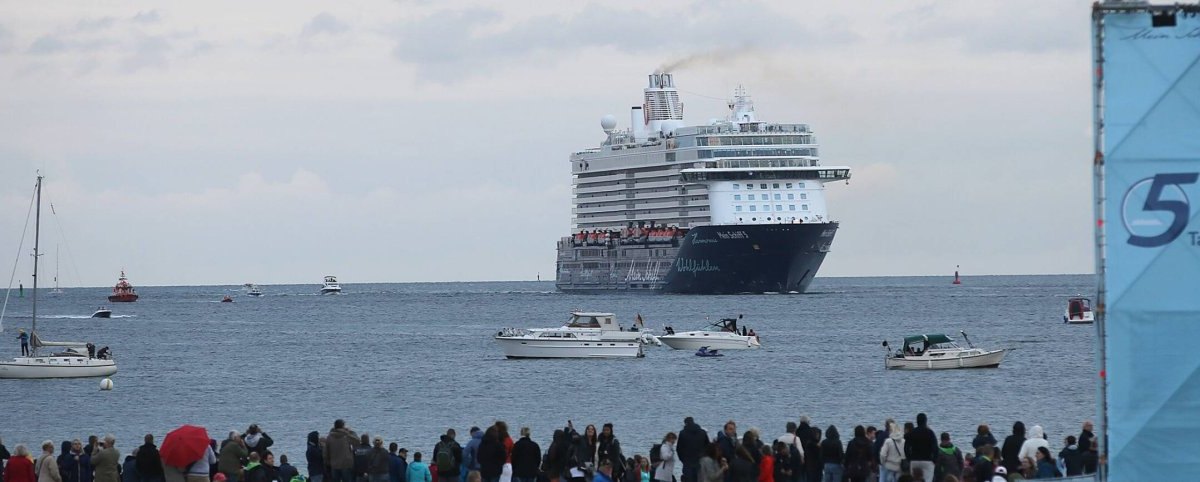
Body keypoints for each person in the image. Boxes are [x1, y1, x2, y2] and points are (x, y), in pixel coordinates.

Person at [905, 415, 935, 482]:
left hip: (914, 460)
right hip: (927, 460)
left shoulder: (912, 433)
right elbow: (935, 448)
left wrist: (909, 459)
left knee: (915, 479)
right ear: (926, 421)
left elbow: (906, 448)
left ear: (917, 421)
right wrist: (934, 460)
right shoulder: (930, 433)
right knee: (928, 479)